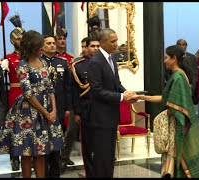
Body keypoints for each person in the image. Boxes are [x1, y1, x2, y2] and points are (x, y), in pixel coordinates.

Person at [0, 30, 63, 178]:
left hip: (47, 108)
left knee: (41, 152)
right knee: (27, 152)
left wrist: (53, 110)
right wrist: (45, 113)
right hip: (29, 112)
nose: (42, 48)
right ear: (30, 46)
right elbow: (28, 94)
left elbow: (51, 87)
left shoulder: (44, 62)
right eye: (39, 46)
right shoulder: (22, 64)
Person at [131, 45, 199, 178]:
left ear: (174, 59)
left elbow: (178, 107)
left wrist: (165, 115)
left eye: (166, 58)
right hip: (182, 126)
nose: (164, 61)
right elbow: (166, 98)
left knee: (182, 166)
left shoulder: (178, 77)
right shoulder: (178, 75)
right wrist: (140, 97)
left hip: (182, 127)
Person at [87, 28, 136, 177]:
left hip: (111, 116)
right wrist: (122, 97)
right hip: (100, 118)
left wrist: (127, 92)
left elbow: (116, 83)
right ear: (102, 42)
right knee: (102, 157)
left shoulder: (111, 59)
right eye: (112, 41)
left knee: (109, 156)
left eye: (116, 40)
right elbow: (97, 91)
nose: (116, 44)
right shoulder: (96, 62)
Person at [62, 35, 100, 177]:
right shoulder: (77, 65)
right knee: (73, 135)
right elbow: (72, 89)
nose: (94, 49)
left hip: (99, 109)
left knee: (98, 143)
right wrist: (74, 110)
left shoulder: (105, 63)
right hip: (81, 108)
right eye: (91, 46)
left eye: (97, 46)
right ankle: (63, 161)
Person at [40, 35, 72, 178]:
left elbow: (67, 87)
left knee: (57, 143)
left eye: (53, 43)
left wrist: (67, 107)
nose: (52, 45)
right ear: (42, 46)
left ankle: (55, 173)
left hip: (58, 107)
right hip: (42, 108)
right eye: (49, 43)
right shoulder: (38, 62)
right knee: (44, 143)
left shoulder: (62, 62)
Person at [0, 14, 26, 172]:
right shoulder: (7, 58)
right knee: (14, 127)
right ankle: (14, 158)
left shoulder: (31, 56)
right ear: (12, 41)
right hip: (14, 93)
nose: (21, 41)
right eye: (18, 38)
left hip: (29, 94)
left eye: (23, 38)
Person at [165, 39, 198, 104]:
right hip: (175, 88)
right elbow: (167, 73)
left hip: (189, 88)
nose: (181, 46)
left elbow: (195, 73)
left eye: (183, 45)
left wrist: (192, 88)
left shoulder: (192, 57)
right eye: (179, 45)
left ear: (186, 46)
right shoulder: (171, 58)